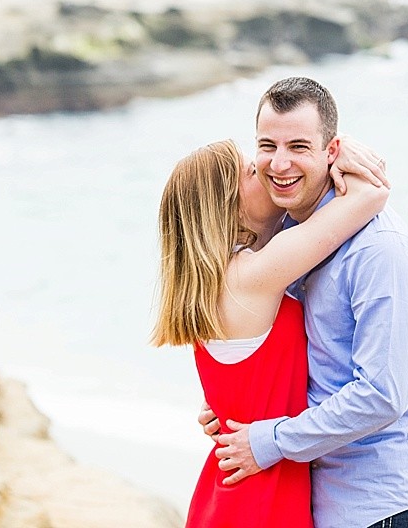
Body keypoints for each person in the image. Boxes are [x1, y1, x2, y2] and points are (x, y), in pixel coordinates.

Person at [203, 77, 408, 528]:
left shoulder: (379, 248)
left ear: (330, 152)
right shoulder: (285, 242)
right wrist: (238, 405)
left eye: (299, 146)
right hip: (317, 502)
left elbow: (380, 395)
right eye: (267, 146)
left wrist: (267, 440)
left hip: (384, 505)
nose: (279, 163)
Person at [152, 137, 389, 528]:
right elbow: (369, 194)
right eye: (250, 172)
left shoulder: (217, 282)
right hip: (259, 498)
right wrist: (337, 152)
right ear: (226, 204)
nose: (269, 170)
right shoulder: (252, 276)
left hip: (236, 490)